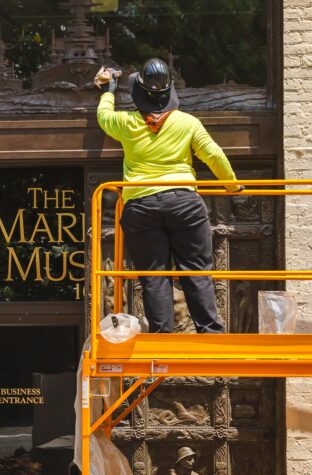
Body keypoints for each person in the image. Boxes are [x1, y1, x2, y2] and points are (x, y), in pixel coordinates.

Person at [95, 58, 240, 334]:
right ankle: (210, 332)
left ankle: (162, 335)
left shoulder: (125, 123)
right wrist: (232, 185)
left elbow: (103, 117)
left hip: (141, 205)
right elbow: (213, 154)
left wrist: (108, 89)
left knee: (154, 275)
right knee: (196, 270)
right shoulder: (188, 123)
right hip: (184, 202)